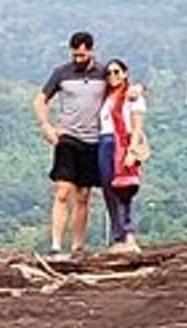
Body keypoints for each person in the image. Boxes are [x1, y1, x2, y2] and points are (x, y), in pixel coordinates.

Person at [32, 31, 106, 256]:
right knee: (63, 191)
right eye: (75, 55)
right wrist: (46, 125)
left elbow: (123, 87)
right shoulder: (62, 73)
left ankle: (77, 246)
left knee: (83, 195)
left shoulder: (103, 73)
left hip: (93, 140)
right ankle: (55, 244)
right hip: (68, 138)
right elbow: (40, 99)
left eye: (82, 55)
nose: (78, 59)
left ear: (91, 51)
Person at [96, 60, 149, 250]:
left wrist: (131, 150)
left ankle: (128, 233)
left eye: (116, 72)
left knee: (124, 190)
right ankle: (116, 235)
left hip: (122, 144)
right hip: (104, 143)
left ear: (125, 73)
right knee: (109, 190)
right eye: (109, 73)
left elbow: (137, 126)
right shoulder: (107, 97)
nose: (113, 76)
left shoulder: (131, 97)